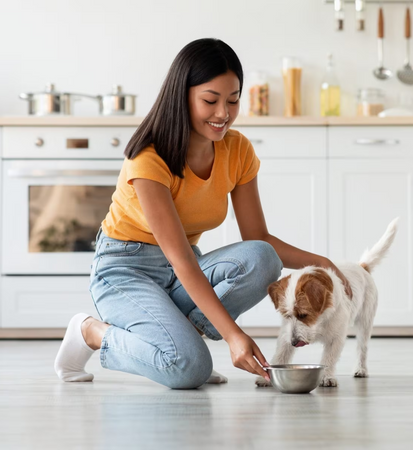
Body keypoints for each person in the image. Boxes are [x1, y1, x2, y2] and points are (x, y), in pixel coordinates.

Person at [54, 38, 352, 389]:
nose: (223, 113)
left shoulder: (237, 150)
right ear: (182, 96)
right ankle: (91, 332)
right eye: (210, 100)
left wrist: (324, 263)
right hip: (125, 270)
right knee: (187, 369)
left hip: (182, 271)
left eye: (233, 100)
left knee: (263, 257)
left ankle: (183, 338)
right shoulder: (149, 158)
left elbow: (258, 239)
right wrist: (233, 335)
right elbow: (180, 259)